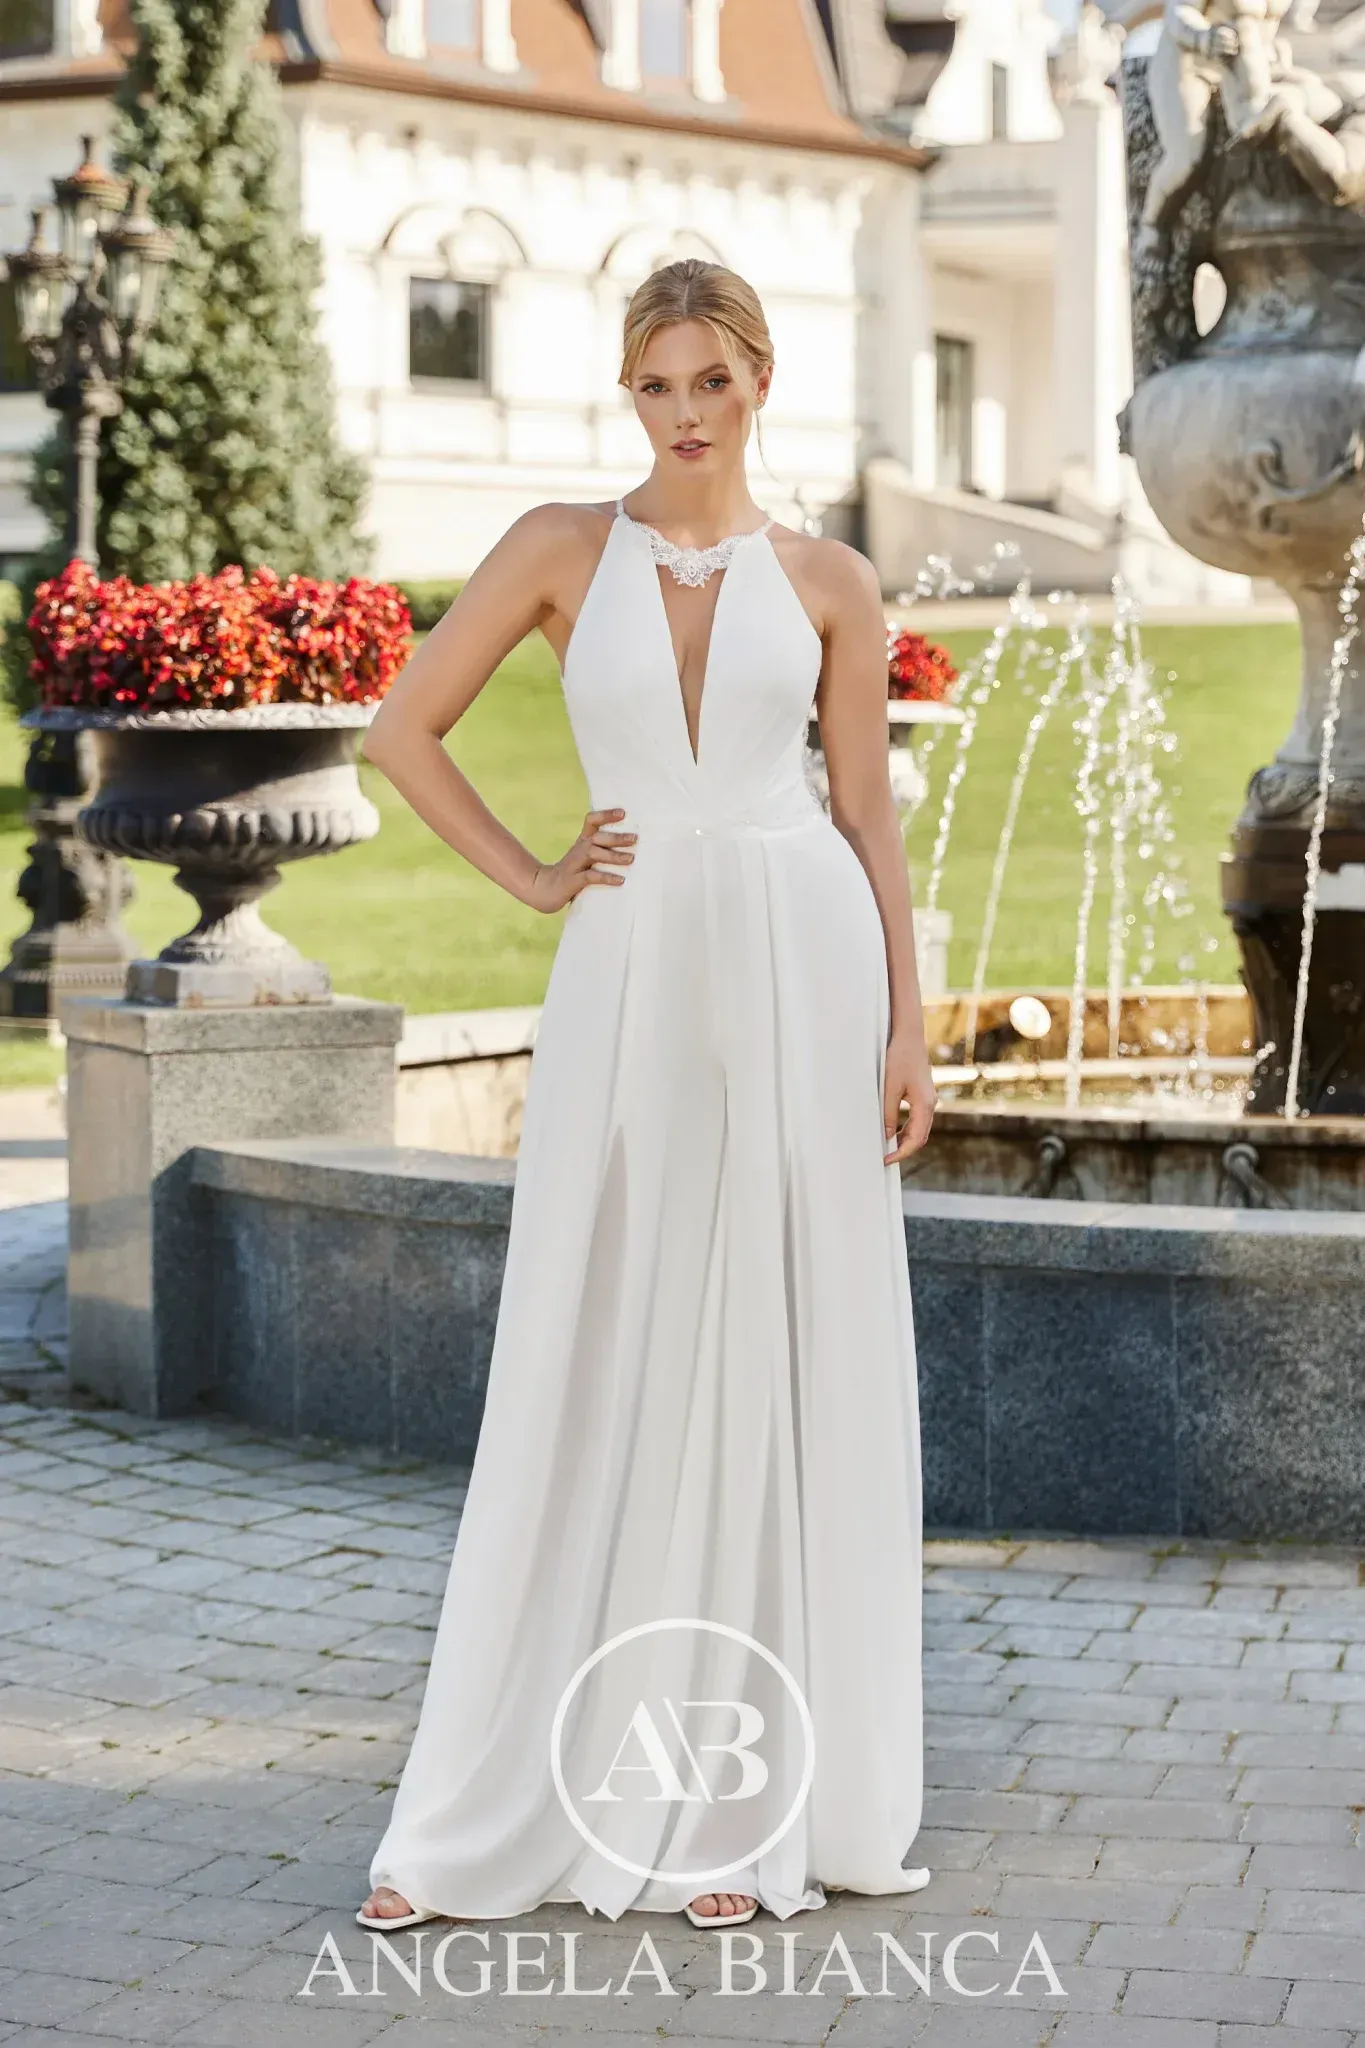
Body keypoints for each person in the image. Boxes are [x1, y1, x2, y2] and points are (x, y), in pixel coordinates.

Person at [356, 258, 936, 1935]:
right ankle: (482, 1811)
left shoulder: (829, 579)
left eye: (713, 383)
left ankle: (738, 1813)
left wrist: (908, 1023)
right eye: (657, 385)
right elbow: (402, 733)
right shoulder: (558, 548)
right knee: (593, 1326)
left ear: (761, 381)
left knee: (769, 1338)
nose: (686, 415)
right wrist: (536, 877)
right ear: (630, 392)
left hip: (801, 953)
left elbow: (867, 816)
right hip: (627, 964)